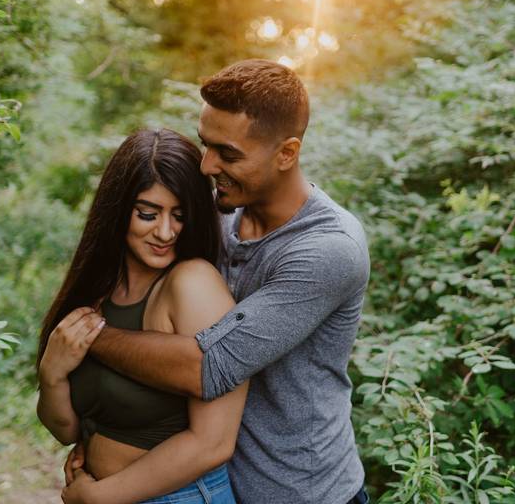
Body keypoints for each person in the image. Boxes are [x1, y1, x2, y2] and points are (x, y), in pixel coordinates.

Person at [65, 59, 372, 504]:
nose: (207, 166)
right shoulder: (215, 216)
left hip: (299, 492)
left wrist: (85, 335)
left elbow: (204, 367)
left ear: (287, 153)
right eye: (205, 145)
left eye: (228, 154)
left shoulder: (327, 250)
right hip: (208, 486)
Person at [37, 128, 248, 504]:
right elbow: (67, 431)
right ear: (119, 210)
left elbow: (213, 443)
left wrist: (98, 498)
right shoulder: (100, 290)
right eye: (147, 214)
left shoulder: (192, 284)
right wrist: (51, 375)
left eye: (179, 216)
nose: (165, 232)